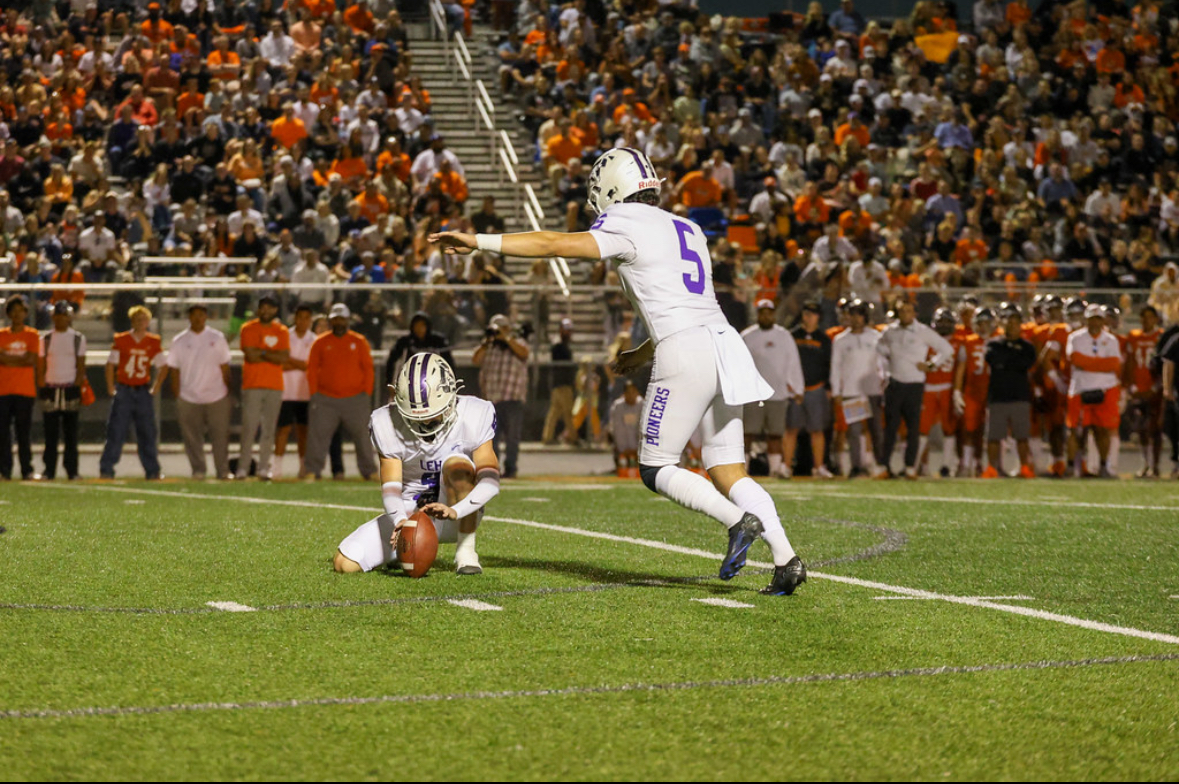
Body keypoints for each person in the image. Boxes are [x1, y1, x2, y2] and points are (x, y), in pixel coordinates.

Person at [430, 147, 805, 596]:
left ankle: (736, 521)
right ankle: (786, 560)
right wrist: (641, 352)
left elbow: (553, 244)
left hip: (685, 350)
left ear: (612, 187)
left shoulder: (625, 221)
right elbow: (691, 306)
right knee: (728, 469)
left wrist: (478, 241)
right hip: (723, 344)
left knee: (655, 467)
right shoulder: (689, 226)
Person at [333, 353, 498, 575]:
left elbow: (490, 481)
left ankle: (466, 553)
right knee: (345, 564)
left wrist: (455, 510)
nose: (425, 423)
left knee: (457, 465)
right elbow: (391, 486)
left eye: (432, 415)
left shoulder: (474, 413)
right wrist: (401, 520)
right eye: (416, 418)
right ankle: (403, 551)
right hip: (410, 512)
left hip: (457, 513)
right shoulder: (386, 422)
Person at [152, 303, 233, 480]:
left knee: (220, 436)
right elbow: (174, 369)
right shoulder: (179, 341)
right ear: (189, 317)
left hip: (216, 395)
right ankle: (198, 470)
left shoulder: (217, 338)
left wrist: (228, 390)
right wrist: (178, 394)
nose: (198, 318)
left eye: (201, 315)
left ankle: (223, 470)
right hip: (189, 396)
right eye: (194, 315)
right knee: (192, 438)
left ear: (206, 317)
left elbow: (225, 366)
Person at [877, 300, 953, 478]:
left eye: (909, 311)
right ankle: (884, 466)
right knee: (890, 427)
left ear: (915, 313)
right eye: (902, 311)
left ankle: (910, 466)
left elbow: (946, 349)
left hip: (914, 384)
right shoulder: (890, 331)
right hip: (894, 383)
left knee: (913, 428)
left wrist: (932, 365)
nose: (905, 314)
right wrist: (887, 358)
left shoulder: (923, 332)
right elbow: (879, 346)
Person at [304, 303, 377, 480]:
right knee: (317, 437)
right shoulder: (320, 342)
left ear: (348, 320)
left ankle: (369, 470)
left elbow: (368, 368)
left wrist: (366, 392)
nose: (339, 322)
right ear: (330, 321)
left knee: (363, 437)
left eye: (342, 319)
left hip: (355, 399)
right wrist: (314, 393)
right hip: (325, 399)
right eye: (335, 319)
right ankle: (312, 471)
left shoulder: (359, 341)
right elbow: (312, 368)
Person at [741, 299, 805, 478]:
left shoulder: (784, 336)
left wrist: (797, 388)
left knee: (775, 434)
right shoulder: (747, 336)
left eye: (769, 312)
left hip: (778, 393)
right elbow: (738, 364)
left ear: (774, 314)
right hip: (753, 394)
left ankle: (775, 469)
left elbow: (793, 363)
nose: (766, 316)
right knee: (748, 433)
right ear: (758, 314)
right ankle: (743, 469)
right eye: (762, 312)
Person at [99, 305, 163, 479]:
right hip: (125, 388)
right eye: (137, 319)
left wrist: (155, 387)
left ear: (148, 321)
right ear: (132, 321)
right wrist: (111, 387)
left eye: (143, 319)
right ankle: (107, 468)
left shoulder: (153, 341)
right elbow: (111, 364)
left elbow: (163, 366)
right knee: (116, 431)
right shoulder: (121, 339)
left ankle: (152, 470)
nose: (140, 322)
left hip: (142, 390)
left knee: (147, 432)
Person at [1065, 304, 1122, 478]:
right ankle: (1071, 466)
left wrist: (1088, 364)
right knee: (1075, 430)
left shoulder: (1111, 340)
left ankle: (1104, 465)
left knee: (1102, 429)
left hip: (1105, 388)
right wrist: (1101, 365)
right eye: (1092, 318)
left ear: (1103, 320)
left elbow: (1114, 364)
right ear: (1086, 319)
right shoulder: (1075, 337)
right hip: (1080, 388)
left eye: (1098, 318)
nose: (1095, 322)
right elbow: (1075, 359)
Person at [237, 295, 290, 480]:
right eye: (263, 307)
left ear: (275, 310)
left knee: (269, 429)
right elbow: (250, 355)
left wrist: (263, 352)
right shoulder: (248, 328)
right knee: (249, 427)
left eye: (270, 308)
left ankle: (263, 467)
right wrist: (271, 354)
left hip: (274, 385)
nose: (265, 311)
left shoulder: (282, 330)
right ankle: (242, 467)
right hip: (253, 384)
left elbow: (284, 358)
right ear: (258, 309)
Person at [831, 299, 886, 479]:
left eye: (859, 314)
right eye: (852, 314)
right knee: (854, 431)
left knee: (875, 429)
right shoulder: (841, 340)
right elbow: (835, 367)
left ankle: (880, 464)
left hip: (872, 389)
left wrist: (884, 381)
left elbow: (883, 362)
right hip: (851, 390)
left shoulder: (876, 337)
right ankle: (857, 466)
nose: (855, 319)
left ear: (865, 316)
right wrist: (837, 390)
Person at [982, 304, 1038, 479]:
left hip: (1019, 395)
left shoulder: (1027, 346)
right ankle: (992, 467)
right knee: (994, 436)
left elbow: (1025, 364)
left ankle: (1024, 467)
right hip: (998, 396)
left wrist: (1007, 361)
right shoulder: (993, 344)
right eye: (1009, 322)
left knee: (1021, 436)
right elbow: (994, 360)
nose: (1012, 326)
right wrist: (1012, 358)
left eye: (1015, 323)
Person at [472, 313, 529, 479]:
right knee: (492, 439)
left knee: (512, 437)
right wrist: (486, 342)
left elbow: (524, 353)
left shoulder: (517, 343)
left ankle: (511, 469)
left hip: (512, 397)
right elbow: (475, 360)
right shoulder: (489, 347)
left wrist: (506, 338)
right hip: (492, 399)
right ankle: (493, 469)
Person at [37, 302, 87, 480]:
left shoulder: (78, 338)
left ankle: (72, 470)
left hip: (70, 387)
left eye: (64, 315)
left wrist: (77, 385)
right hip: (51, 387)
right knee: (50, 434)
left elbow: (81, 365)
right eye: (57, 315)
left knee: (71, 434)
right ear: (53, 317)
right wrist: (42, 386)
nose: (60, 318)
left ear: (70, 317)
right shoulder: (45, 339)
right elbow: (41, 365)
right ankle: (49, 470)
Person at [787, 302, 834, 478]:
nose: (808, 317)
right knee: (791, 428)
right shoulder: (792, 336)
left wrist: (828, 386)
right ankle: (786, 465)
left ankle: (819, 466)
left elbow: (830, 364)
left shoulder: (823, 339)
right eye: (806, 313)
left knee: (817, 429)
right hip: (796, 389)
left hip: (816, 387)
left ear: (818, 317)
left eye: (812, 314)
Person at [0, 295, 40, 481]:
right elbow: (22, 359)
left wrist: (8, 358)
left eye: (20, 311)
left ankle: (27, 470)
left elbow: (31, 359)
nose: (17, 315)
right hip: (3, 390)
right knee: (3, 434)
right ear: (8, 314)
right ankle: (4, 470)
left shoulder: (32, 335)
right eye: (13, 311)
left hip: (25, 390)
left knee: (24, 433)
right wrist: (20, 359)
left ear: (25, 313)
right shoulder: (1, 335)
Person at [275, 305, 316, 479]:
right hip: (285, 391)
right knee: (283, 430)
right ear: (295, 318)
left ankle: (303, 468)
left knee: (303, 431)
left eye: (307, 318)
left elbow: (313, 366)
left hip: (306, 393)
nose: (303, 321)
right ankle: (276, 469)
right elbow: (280, 362)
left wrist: (291, 362)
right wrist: (301, 365)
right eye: (300, 317)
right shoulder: (285, 336)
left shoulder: (315, 339)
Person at [1123, 305, 1163, 478]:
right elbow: (1129, 362)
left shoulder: (1160, 336)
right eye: (1143, 317)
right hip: (1139, 389)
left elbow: (1166, 365)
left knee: (1156, 428)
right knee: (1141, 429)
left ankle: (1155, 465)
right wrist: (1131, 386)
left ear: (1155, 319)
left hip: (1156, 389)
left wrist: (1157, 387)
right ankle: (1146, 463)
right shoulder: (1133, 337)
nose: (1146, 320)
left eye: (1149, 317)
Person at [383, 312, 454, 392]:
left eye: (422, 326)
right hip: (410, 382)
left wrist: (449, 383)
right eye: (416, 326)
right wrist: (390, 383)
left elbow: (448, 363)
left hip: (434, 384)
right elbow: (392, 361)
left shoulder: (437, 341)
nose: (419, 329)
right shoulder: (405, 342)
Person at [543, 317, 577, 445]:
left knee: (555, 412)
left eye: (569, 330)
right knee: (567, 412)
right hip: (562, 383)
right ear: (561, 330)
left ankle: (547, 437)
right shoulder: (558, 346)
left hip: (560, 383)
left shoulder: (564, 345)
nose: (568, 332)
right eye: (566, 330)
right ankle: (573, 437)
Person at [609, 380, 643, 471]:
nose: (631, 395)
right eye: (628, 392)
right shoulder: (618, 406)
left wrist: (637, 449)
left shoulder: (642, 405)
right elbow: (617, 429)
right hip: (622, 445)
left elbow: (642, 429)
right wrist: (623, 449)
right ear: (624, 394)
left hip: (639, 445)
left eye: (633, 392)